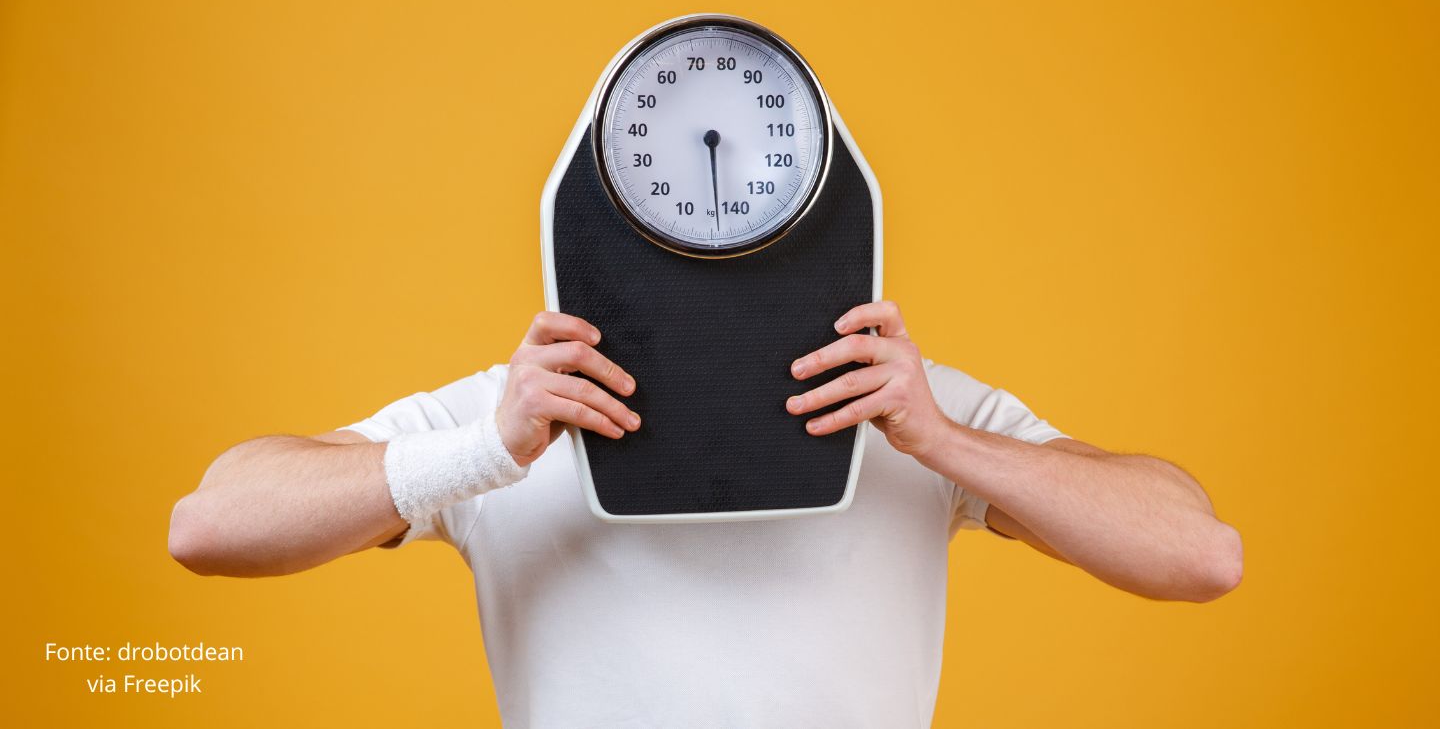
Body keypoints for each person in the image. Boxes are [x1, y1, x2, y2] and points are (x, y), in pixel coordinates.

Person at [169, 301, 1242, 727]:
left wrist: (945, 441)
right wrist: (483, 449)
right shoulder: (514, 413)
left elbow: (1196, 552)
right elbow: (211, 527)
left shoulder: (908, 404)